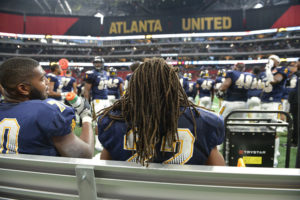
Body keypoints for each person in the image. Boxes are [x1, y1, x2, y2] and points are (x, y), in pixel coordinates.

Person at [98, 58, 225, 166]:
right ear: (174, 85)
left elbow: (104, 172)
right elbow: (219, 175)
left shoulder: (112, 121)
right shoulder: (205, 121)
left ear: (135, 87)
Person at [0, 57, 94, 158]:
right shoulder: (47, 111)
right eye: (42, 79)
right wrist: (86, 117)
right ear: (23, 88)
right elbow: (84, 156)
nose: (47, 82)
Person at [259, 55, 290, 167]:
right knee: (262, 129)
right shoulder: (264, 72)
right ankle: (265, 151)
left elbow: (275, 80)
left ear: (277, 61)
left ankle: (274, 157)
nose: (270, 61)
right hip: (263, 102)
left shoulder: (282, 69)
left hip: (274, 103)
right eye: (269, 59)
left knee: (272, 129)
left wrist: (268, 70)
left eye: (273, 59)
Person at [84, 56, 109, 151]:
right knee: (98, 122)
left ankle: (105, 140)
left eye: (99, 62)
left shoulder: (105, 73)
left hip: (106, 100)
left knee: (107, 121)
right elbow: (87, 90)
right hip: (97, 100)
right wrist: (86, 103)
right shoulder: (91, 74)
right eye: (96, 62)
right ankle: (97, 143)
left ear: (102, 63)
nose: (97, 64)